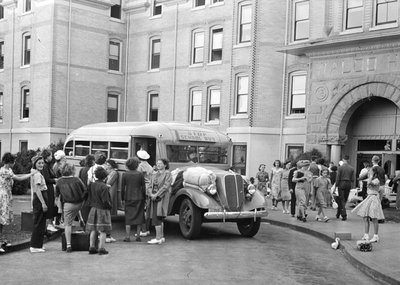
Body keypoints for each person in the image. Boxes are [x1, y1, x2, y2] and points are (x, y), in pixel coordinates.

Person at [0, 152, 35, 251]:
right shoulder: (4, 171)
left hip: (7, 195)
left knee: (3, 220)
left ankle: (1, 240)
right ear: (9, 162)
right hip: (3, 196)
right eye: (13, 162)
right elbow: (19, 178)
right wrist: (31, 174)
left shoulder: (9, 170)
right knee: (2, 219)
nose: (14, 164)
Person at [55, 163, 85, 253]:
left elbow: (57, 195)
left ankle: (68, 245)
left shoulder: (59, 181)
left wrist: (59, 206)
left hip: (68, 204)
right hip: (79, 203)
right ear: (72, 170)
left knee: (67, 224)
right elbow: (84, 190)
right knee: (77, 210)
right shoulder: (77, 179)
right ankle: (81, 218)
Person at [352, 166, 385, 243]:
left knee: (374, 217)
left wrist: (370, 176)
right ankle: (366, 234)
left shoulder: (376, 180)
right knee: (366, 217)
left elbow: (370, 183)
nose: (369, 173)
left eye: (370, 171)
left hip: (374, 198)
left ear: (374, 173)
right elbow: (360, 179)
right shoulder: (369, 178)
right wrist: (366, 175)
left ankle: (376, 236)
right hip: (369, 197)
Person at [86, 167, 112, 255]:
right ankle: (101, 248)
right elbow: (105, 200)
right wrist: (109, 206)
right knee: (103, 230)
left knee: (93, 229)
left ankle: (92, 247)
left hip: (93, 209)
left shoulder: (91, 185)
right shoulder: (104, 187)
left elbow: (86, 195)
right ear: (105, 177)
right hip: (102, 210)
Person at [121, 157, 146, 242]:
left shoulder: (124, 175)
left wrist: (122, 198)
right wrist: (144, 198)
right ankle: (138, 236)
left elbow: (122, 188)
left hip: (128, 197)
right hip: (139, 197)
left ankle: (127, 237)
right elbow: (143, 188)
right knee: (139, 216)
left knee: (128, 217)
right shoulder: (140, 174)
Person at [147, 158, 172, 245]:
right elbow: (149, 185)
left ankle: (158, 238)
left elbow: (166, 186)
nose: (159, 165)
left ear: (165, 165)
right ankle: (161, 237)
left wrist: (157, 195)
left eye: (161, 164)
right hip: (153, 197)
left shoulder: (168, 174)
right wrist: (150, 194)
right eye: (157, 163)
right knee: (158, 217)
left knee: (157, 217)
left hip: (161, 198)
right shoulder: (154, 174)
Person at [30, 155, 49, 253]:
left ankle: (38, 244)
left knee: (41, 222)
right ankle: (35, 245)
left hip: (41, 196)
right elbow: (37, 190)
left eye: (42, 163)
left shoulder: (37, 173)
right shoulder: (37, 175)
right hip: (40, 198)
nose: (41, 165)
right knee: (39, 222)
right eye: (39, 163)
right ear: (35, 164)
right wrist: (43, 203)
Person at [40, 149, 58, 233]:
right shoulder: (45, 166)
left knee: (51, 203)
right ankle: (49, 224)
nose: (52, 157)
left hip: (50, 187)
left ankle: (50, 223)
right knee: (50, 203)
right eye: (50, 155)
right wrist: (55, 180)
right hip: (48, 187)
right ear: (47, 157)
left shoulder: (48, 165)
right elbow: (46, 178)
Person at [137, 149, 153, 237]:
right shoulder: (149, 166)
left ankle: (143, 229)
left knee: (142, 210)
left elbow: (139, 178)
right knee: (148, 210)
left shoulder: (140, 166)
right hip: (149, 188)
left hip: (143, 188)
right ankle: (147, 228)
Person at [335, 155, 355, 221]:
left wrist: (336, 185)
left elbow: (338, 178)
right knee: (345, 199)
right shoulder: (352, 168)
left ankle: (344, 214)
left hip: (341, 183)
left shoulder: (340, 168)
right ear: (348, 160)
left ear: (343, 160)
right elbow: (353, 179)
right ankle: (338, 213)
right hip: (348, 184)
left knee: (341, 199)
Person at [78, 154, 95, 225]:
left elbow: (79, 179)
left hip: (83, 190)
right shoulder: (92, 170)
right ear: (92, 161)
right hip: (90, 191)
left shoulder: (82, 169)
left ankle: (83, 222)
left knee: (84, 208)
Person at [105, 159, 118, 243]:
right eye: (107, 164)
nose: (107, 166)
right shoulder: (107, 172)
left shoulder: (114, 173)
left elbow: (109, 182)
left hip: (110, 190)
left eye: (109, 165)